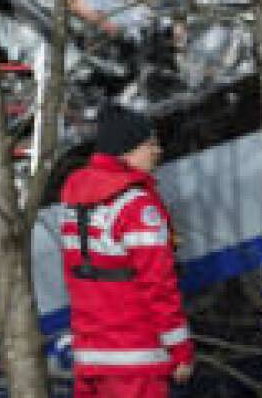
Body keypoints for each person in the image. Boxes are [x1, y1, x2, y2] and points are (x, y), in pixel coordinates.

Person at [59, 103, 194, 398]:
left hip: (91, 358)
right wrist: (180, 350)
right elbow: (158, 285)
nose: (157, 151)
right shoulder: (135, 205)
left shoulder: (74, 203)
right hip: (137, 359)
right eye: (150, 144)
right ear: (126, 150)